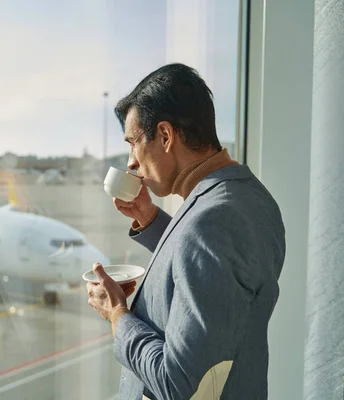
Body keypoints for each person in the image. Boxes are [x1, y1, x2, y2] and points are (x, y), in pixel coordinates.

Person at [86, 63, 286, 400]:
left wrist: (118, 315)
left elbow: (176, 383)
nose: (131, 162)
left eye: (133, 143)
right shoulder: (244, 193)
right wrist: (151, 221)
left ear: (165, 136)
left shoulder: (214, 220)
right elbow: (208, 268)